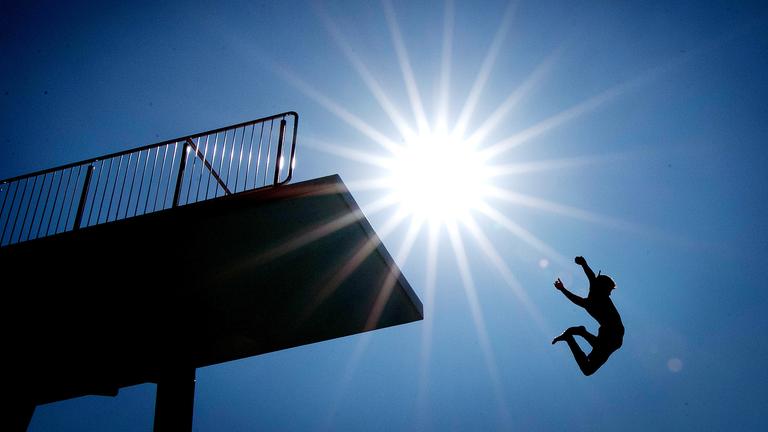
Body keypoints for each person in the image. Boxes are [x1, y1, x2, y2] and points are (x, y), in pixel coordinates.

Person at [551, 256, 624, 376]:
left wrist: (563, 289)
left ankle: (578, 333)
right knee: (588, 369)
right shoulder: (599, 293)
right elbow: (591, 277)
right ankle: (577, 333)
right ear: (604, 286)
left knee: (588, 369)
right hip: (612, 335)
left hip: (612, 335)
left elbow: (576, 299)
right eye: (610, 290)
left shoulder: (589, 303)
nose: (610, 293)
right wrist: (584, 264)